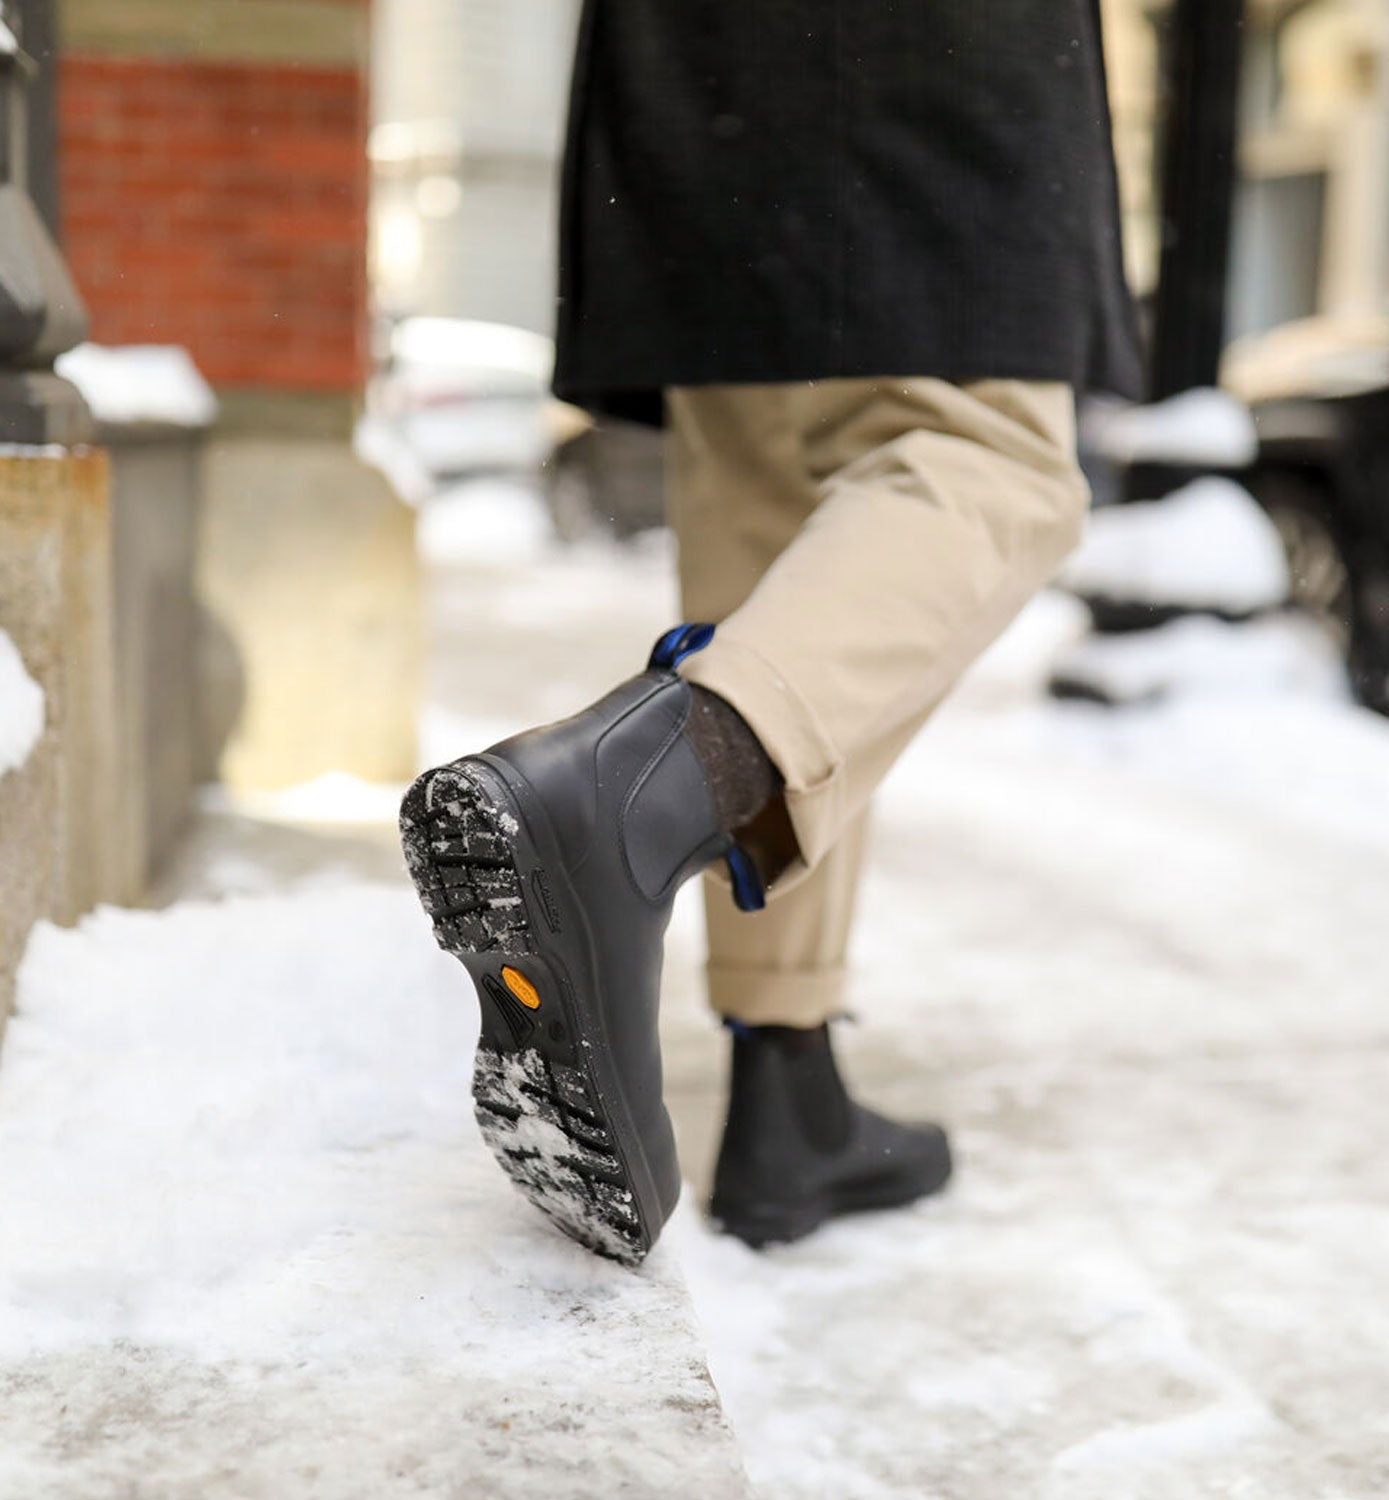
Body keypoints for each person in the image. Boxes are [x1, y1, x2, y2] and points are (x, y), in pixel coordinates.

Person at [400, 1, 1142, 1264]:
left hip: (694, 56)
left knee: (771, 516)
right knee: (991, 456)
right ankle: (625, 799)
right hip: (931, 49)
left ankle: (787, 1077)